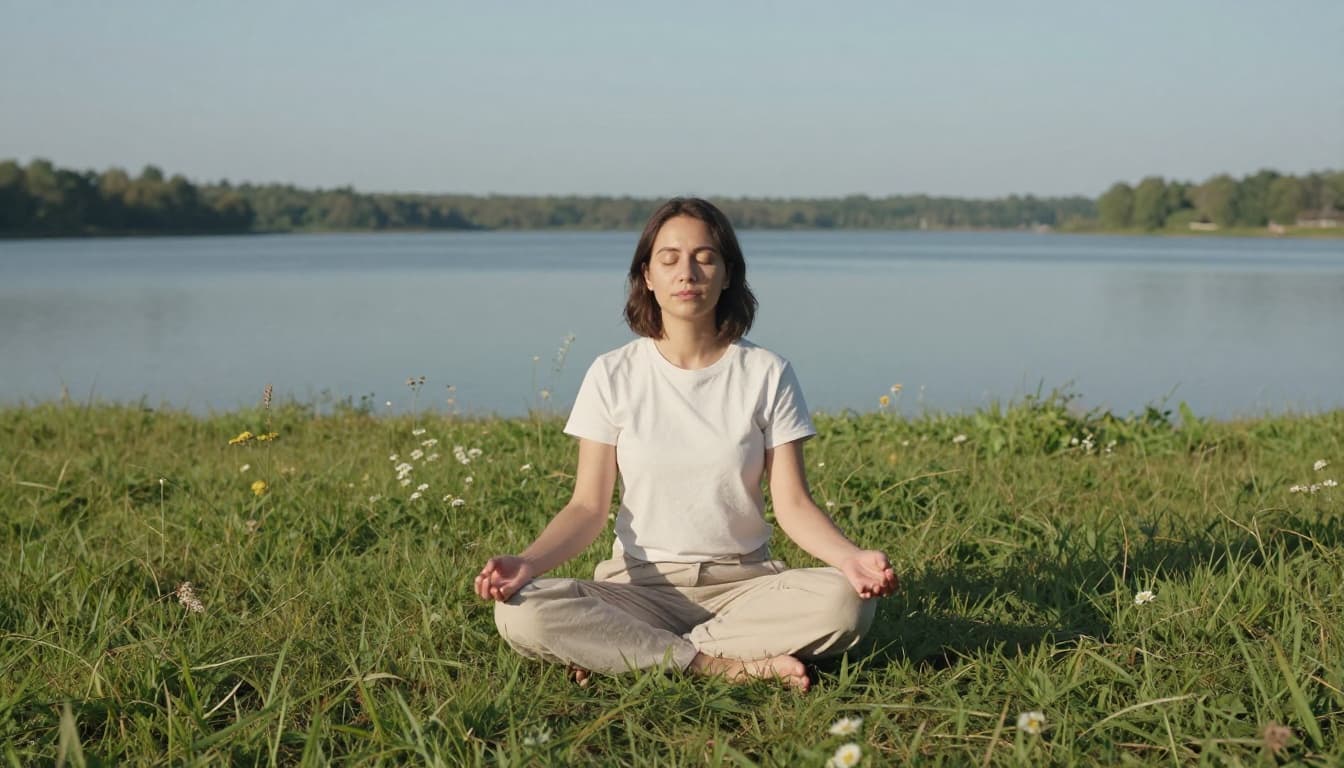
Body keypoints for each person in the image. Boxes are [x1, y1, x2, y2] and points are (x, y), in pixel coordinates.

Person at [474, 197, 897, 691]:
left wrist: (848, 558)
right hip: (635, 588)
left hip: (745, 586)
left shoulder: (766, 373)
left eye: (705, 256)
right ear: (647, 276)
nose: (687, 272)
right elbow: (587, 507)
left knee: (846, 603)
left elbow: (794, 504)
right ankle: (722, 664)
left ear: (727, 274)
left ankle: (629, 651)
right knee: (521, 613)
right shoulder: (613, 373)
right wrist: (528, 563)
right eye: (669, 258)